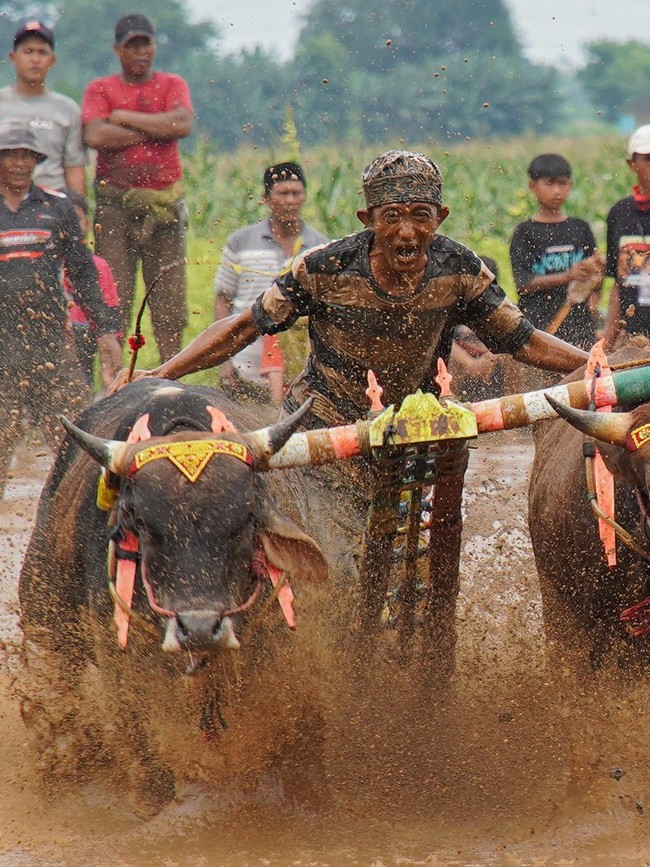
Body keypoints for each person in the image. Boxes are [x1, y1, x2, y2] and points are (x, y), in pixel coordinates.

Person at [0, 122, 122, 497]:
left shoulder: (57, 207)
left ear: (37, 161)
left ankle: (89, 519)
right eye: (11, 155)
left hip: (50, 346)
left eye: (27, 156)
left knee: (77, 441)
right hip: (2, 349)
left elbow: (84, 272)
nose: (20, 163)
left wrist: (105, 332)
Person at [81, 13, 194, 361]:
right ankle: (115, 375)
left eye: (146, 44)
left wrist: (124, 117)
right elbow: (96, 135)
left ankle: (172, 372)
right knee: (115, 294)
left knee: (169, 297)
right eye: (133, 45)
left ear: (154, 46)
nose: (141, 52)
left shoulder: (172, 84)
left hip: (163, 206)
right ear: (118, 50)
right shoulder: (101, 89)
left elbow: (183, 123)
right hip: (114, 207)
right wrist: (158, 127)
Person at [214, 161, 327, 405]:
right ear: (266, 198)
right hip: (244, 371)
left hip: (303, 380)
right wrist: (225, 360)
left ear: (305, 197)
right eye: (282, 193)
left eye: (296, 193)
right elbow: (223, 301)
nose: (289, 200)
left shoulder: (320, 248)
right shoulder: (240, 243)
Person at [509, 153, 604, 350]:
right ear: (532, 186)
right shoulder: (525, 232)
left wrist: (597, 273)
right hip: (538, 326)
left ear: (570, 185)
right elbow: (523, 284)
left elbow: (595, 282)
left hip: (579, 325)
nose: (557, 191)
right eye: (549, 184)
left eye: (563, 184)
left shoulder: (580, 228)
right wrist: (567, 276)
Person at [0, 21, 87, 198]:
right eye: (28, 51)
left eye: (42, 52)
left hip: (52, 203)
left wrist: (78, 208)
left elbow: (74, 166)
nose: (35, 59)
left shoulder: (67, 109)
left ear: (52, 60)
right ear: (13, 58)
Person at [63, 192, 122, 390]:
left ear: (87, 224)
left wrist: (110, 350)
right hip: (58, 337)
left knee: (84, 383)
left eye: (75, 220)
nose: (69, 229)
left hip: (88, 333)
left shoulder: (98, 266)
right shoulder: (43, 263)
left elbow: (109, 312)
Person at [603, 125, 650, 345]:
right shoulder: (619, 214)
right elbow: (617, 285)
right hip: (632, 335)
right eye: (648, 159)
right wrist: (607, 341)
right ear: (632, 164)